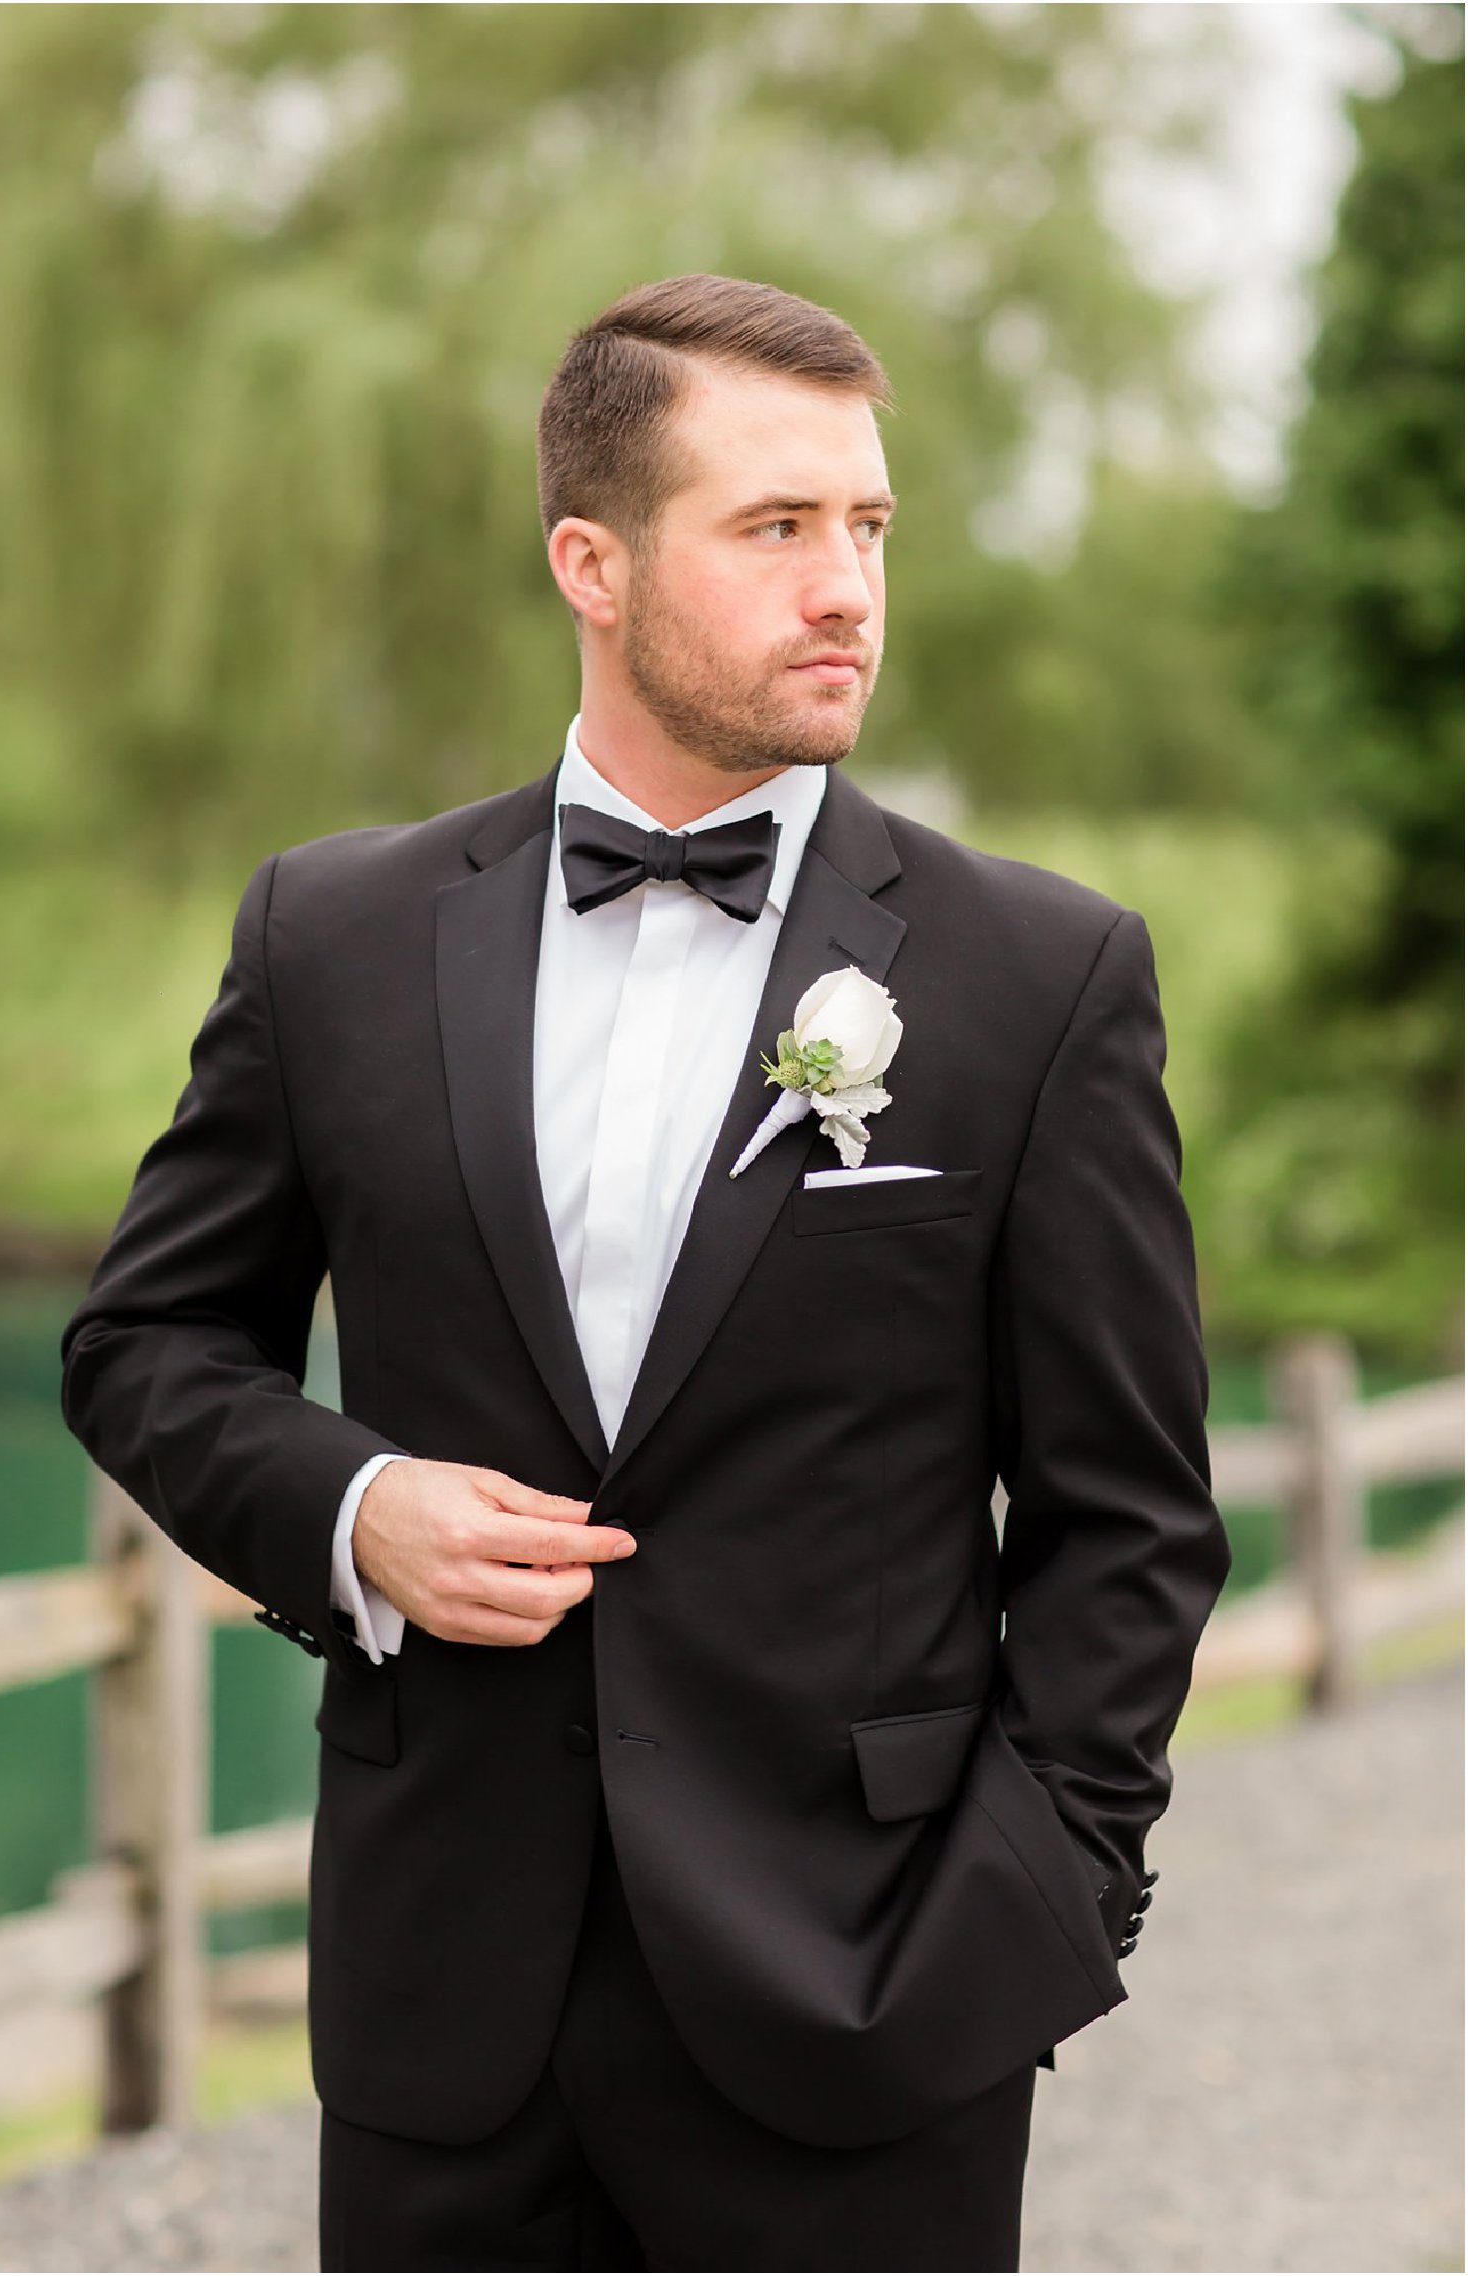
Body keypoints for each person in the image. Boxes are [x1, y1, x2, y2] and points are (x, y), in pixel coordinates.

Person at [61, 273, 1231, 2273]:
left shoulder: (1036, 977)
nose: (844, 586)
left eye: (867, 527)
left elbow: (1127, 1517)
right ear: (588, 563)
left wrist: (1035, 1911)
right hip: (447, 2013)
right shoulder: (330, 935)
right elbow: (149, 1341)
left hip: (871, 2012)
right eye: (773, 529)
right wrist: (352, 1506)